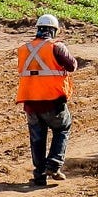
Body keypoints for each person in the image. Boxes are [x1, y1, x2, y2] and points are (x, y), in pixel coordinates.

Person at [16, 11, 78, 186]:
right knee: (63, 127)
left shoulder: (23, 49)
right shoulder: (56, 46)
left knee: (37, 138)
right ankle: (54, 164)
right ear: (54, 30)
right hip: (52, 100)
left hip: (30, 101)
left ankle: (39, 175)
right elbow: (72, 66)